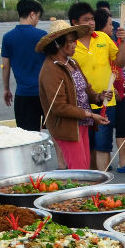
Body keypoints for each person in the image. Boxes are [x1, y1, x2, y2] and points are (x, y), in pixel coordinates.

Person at [36, 21, 111, 171]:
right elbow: (59, 107)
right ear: (57, 44)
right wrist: (90, 115)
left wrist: (98, 97)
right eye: (70, 41)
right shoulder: (51, 69)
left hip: (82, 124)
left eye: (74, 40)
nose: (75, 44)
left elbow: (85, 90)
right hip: (67, 127)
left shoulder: (72, 62)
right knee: (79, 170)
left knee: (85, 168)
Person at [69, 2, 125, 172]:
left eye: (92, 19)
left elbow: (120, 62)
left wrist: (122, 42)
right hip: (81, 104)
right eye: (86, 20)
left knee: (103, 146)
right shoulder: (70, 43)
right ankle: (93, 183)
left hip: (106, 102)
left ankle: (103, 182)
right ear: (74, 22)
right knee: (88, 147)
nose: (91, 23)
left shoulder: (103, 38)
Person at [95, 9, 125, 174]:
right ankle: (102, 167)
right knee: (103, 134)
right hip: (109, 93)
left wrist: (123, 41)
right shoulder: (99, 43)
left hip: (119, 89)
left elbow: (118, 64)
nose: (112, 27)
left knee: (121, 127)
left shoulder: (110, 40)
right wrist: (113, 88)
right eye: (109, 24)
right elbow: (103, 71)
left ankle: (123, 163)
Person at [2, 0, 47, 132]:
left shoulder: (8, 37)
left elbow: (5, 66)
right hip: (44, 93)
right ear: (32, 14)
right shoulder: (42, 35)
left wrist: (6, 89)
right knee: (55, 134)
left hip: (23, 94)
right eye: (38, 17)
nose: (37, 21)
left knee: (27, 135)